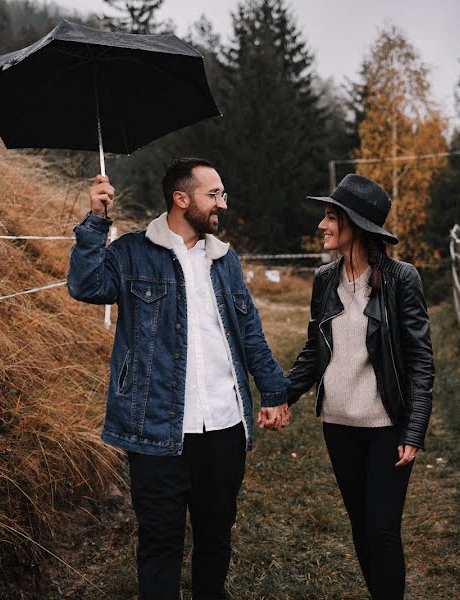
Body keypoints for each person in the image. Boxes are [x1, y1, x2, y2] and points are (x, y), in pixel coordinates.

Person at [67, 157, 290, 600]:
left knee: (215, 538)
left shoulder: (225, 260)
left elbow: (249, 331)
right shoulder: (131, 252)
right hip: (155, 430)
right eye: (215, 194)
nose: (222, 204)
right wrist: (96, 220)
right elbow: (86, 286)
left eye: (222, 194)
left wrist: (274, 390)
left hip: (224, 427)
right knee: (159, 543)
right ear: (181, 198)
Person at [286, 174, 434, 600]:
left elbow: (421, 360)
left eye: (331, 217)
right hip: (338, 425)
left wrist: (414, 429)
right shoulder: (323, 280)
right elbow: (314, 351)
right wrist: (282, 395)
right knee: (360, 525)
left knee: (382, 529)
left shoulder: (401, 279)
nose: (322, 225)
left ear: (355, 224)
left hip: (386, 425)